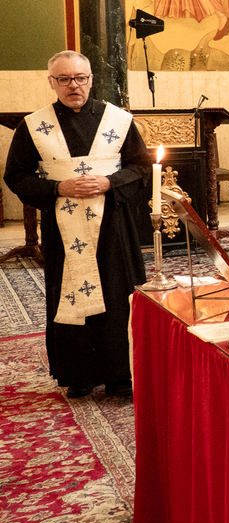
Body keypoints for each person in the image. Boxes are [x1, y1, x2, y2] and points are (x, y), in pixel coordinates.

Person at [4, 51, 152, 399]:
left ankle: (121, 374)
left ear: (91, 79)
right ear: (51, 82)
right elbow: (16, 175)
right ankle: (79, 373)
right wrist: (58, 188)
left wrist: (109, 183)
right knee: (68, 291)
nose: (74, 86)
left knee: (118, 294)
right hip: (62, 225)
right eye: (65, 79)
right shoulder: (34, 125)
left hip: (113, 225)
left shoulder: (118, 120)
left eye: (81, 78)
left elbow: (141, 166)